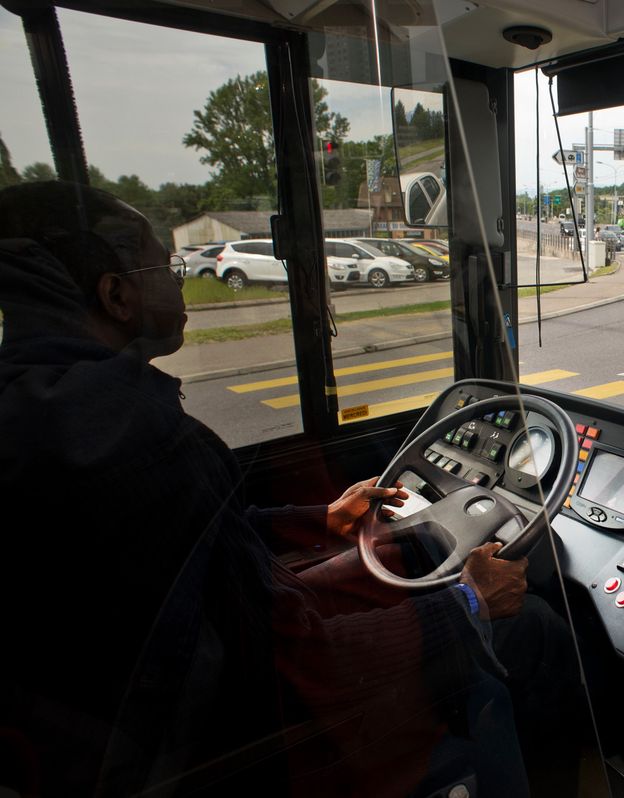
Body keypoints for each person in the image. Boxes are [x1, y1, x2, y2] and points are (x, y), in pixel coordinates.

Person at [0, 181, 572, 796]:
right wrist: (470, 602)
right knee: (533, 624)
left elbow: (206, 544)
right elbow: (301, 658)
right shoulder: (127, 436)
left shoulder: (35, 406)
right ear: (116, 295)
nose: (182, 278)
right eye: (164, 265)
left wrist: (319, 518)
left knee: (400, 560)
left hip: (150, 718)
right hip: (261, 741)